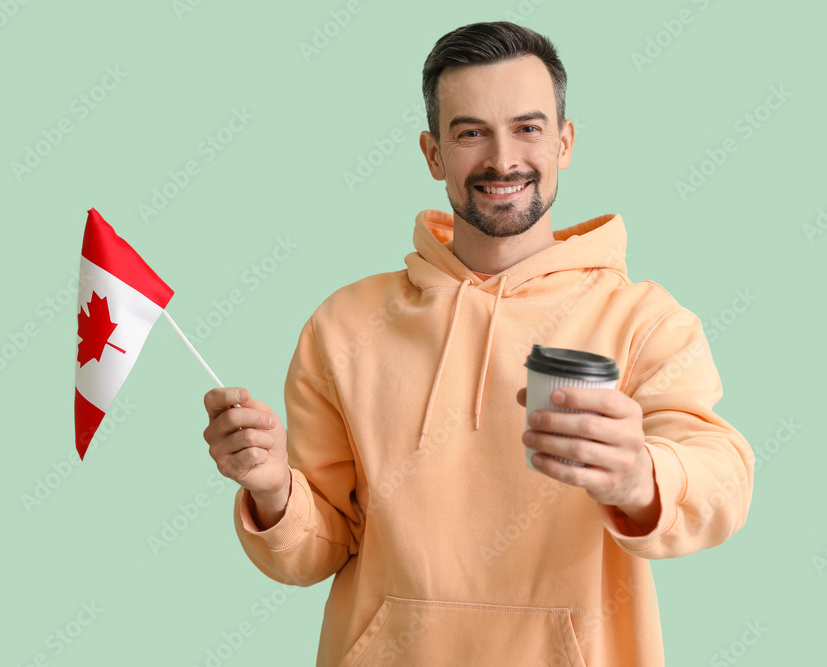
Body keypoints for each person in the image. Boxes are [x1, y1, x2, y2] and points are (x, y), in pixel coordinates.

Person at [202, 21, 754, 666]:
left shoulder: (643, 320)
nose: (503, 159)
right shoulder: (345, 324)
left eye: (528, 127)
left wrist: (639, 476)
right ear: (433, 154)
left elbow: (724, 482)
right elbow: (316, 551)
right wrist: (273, 489)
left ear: (565, 142)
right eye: (471, 132)